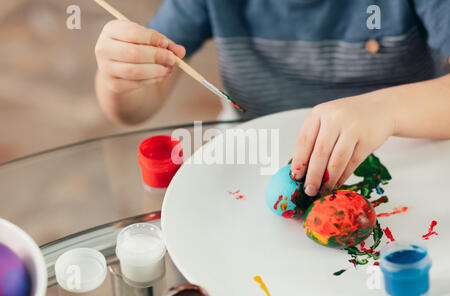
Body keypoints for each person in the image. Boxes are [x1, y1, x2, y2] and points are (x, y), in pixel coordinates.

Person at [95, 0, 450, 197]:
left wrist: (383, 109)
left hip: (403, 166)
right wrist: (120, 76)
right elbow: (132, 112)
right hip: (247, 162)